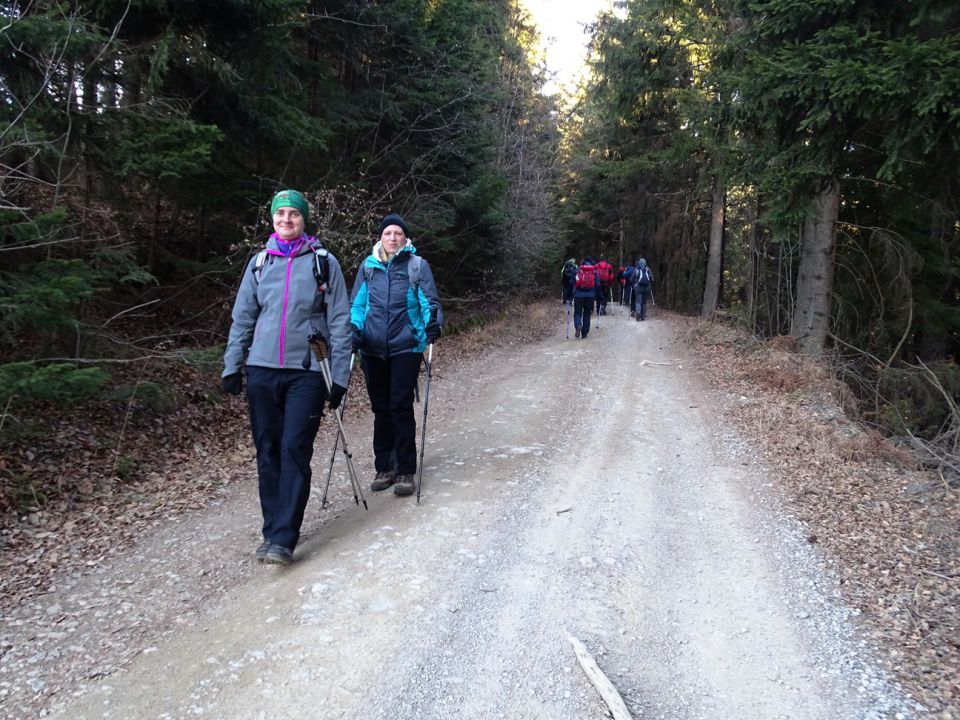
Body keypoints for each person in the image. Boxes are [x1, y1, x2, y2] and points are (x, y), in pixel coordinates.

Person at [222, 189, 352, 565]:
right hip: (262, 368)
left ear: (304, 219)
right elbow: (243, 317)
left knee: (294, 448)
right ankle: (272, 528)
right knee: (268, 451)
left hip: (306, 372)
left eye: (293, 214)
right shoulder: (260, 263)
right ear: (272, 220)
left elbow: (340, 321)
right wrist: (232, 365)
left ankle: (283, 537)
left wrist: (338, 376)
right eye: (281, 215)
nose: (287, 220)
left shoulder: (323, 263)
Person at [350, 213, 443, 497]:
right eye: (388, 233)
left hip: (406, 345)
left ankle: (405, 470)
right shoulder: (368, 267)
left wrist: (433, 324)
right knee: (380, 408)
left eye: (397, 233)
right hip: (372, 347)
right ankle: (384, 466)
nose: (392, 238)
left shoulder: (416, 266)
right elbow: (357, 304)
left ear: (405, 238)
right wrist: (354, 329)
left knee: (400, 406)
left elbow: (430, 302)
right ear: (380, 237)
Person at [572, 257, 601, 339]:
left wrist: (570, 294)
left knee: (577, 313)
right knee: (587, 314)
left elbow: (571, 282)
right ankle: (584, 333)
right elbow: (598, 285)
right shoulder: (594, 272)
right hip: (590, 296)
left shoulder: (578, 270)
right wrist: (599, 296)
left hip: (578, 295)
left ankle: (578, 325)